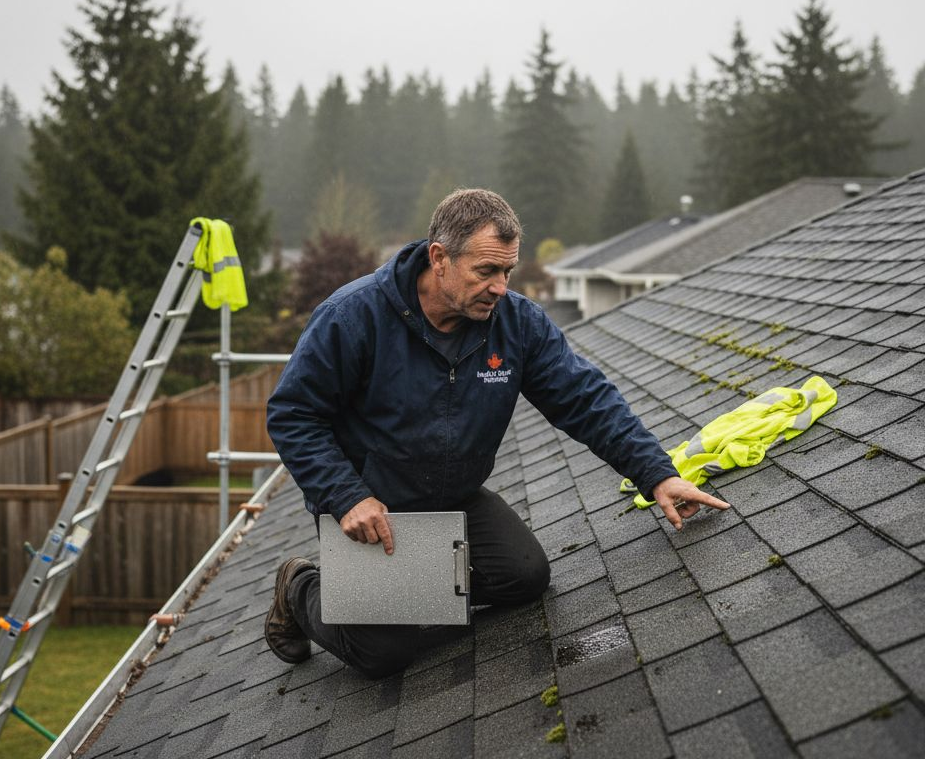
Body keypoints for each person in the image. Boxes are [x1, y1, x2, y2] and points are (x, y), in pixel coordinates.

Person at [264, 188, 726, 678]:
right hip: (373, 508)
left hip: (454, 498)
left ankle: (412, 589)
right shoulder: (353, 317)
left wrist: (656, 474)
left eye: (507, 271)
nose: (500, 287)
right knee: (383, 653)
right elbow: (293, 413)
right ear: (439, 258)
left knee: (525, 578)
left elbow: (585, 399)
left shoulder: (517, 324)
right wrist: (345, 495)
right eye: (486, 271)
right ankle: (302, 585)